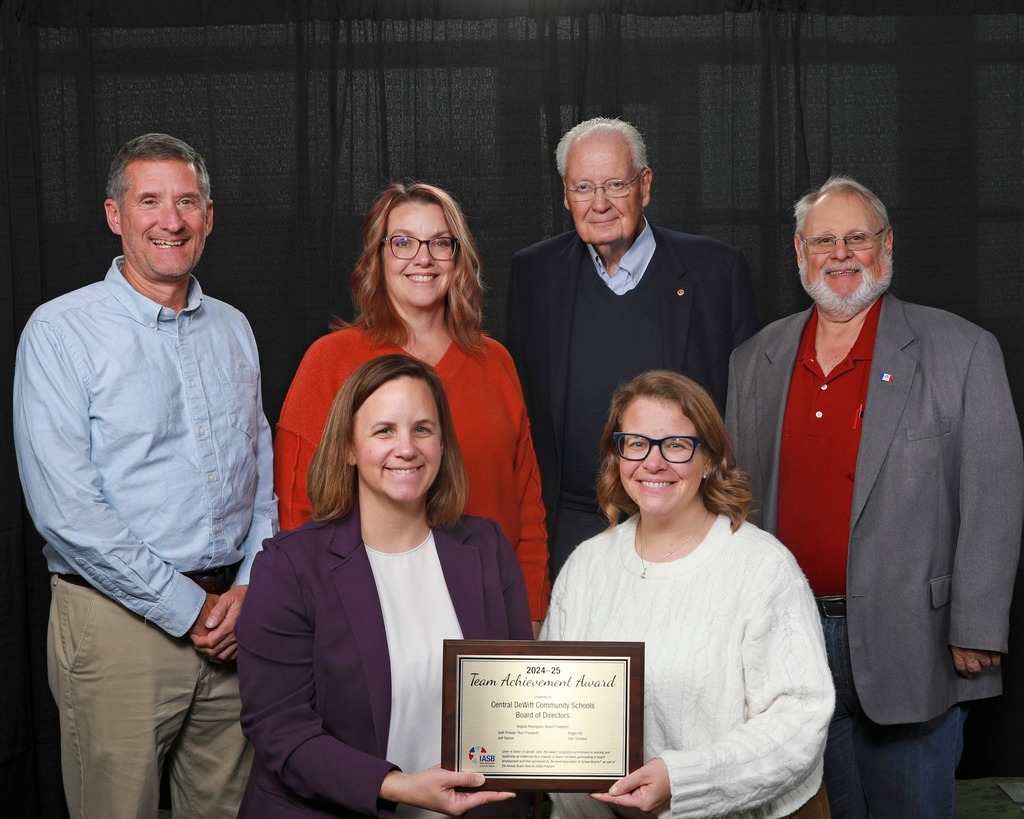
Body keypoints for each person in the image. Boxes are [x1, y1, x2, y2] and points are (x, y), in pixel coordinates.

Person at [726, 175, 1024, 819]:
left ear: (886, 246)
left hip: (915, 637)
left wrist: (976, 622)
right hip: (789, 637)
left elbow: (995, 499)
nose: (841, 254)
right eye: (824, 240)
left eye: (857, 237)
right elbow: (736, 502)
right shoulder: (754, 359)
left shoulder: (962, 350)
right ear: (799, 254)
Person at [12, 133, 277, 818]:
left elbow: (262, 477)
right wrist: (190, 611)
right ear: (114, 214)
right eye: (150, 201)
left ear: (209, 217)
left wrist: (249, 586)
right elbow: (68, 512)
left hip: (232, 627)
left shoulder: (234, 328)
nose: (172, 219)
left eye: (188, 201)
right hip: (118, 627)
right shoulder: (60, 331)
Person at [236, 354, 532, 817]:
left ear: (442, 442)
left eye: (422, 429)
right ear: (350, 448)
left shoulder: (487, 549)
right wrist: (398, 786)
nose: (406, 448)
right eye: (383, 431)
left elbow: (519, 701)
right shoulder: (289, 567)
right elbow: (280, 729)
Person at [541, 370, 833, 818]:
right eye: (636, 443)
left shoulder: (761, 567)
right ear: (616, 455)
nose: (652, 462)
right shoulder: (586, 566)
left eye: (675, 445)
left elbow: (799, 721)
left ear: (709, 459)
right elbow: (548, 709)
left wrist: (682, 780)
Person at [275, 182, 550, 630]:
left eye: (440, 243)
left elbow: (527, 504)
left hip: (487, 609)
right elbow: (296, 510)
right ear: (377, 257)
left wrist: (532, 611)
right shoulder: (330, 360)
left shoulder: (495, 362)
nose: (422, 258)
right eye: (402, 242)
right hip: (368, 614)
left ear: (458, 258)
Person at [506, 116, 760, 581]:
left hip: (686, 524)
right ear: (565, 194)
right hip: (568, 531)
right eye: (583, 187)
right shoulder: (534, 274)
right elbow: (523, 413)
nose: (598, 203)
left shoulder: (715, 271)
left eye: (614, 184)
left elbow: (746, 411)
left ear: (645, 185)